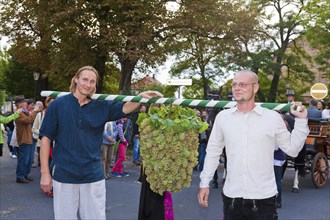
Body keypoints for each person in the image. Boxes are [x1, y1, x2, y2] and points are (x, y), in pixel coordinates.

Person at [39, 66, 162, 220]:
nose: (88, 84)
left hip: (92, 175)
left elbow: (125, 108)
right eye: (84, 79)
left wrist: (141, 97)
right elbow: (45, 139)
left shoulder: (101, 105)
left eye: (92, 81)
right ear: (76, 79)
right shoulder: (58, 105)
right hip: (64, 174)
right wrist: (45, 173)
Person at [197, 70, 309, 220]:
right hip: (232, 199)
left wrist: (301, 121)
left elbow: (293, 150)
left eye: (242, 84)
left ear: (255, 88)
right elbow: (213, 152)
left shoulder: (272, 118)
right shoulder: (223, 118)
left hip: (263, 200)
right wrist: (204, 183)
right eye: (234, 84)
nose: (237, 88)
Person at [15, 95, 41, 183]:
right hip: (24, 138)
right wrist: (34, 111)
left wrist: (33, 112)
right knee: (24, 159)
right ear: (20, 104)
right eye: (24, 102)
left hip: (29, 138)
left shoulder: (24, 111)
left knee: (29, 159)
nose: (26, 103)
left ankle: (25, 174)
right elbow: (28, 120)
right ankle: (20, 176)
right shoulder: (18, 113)